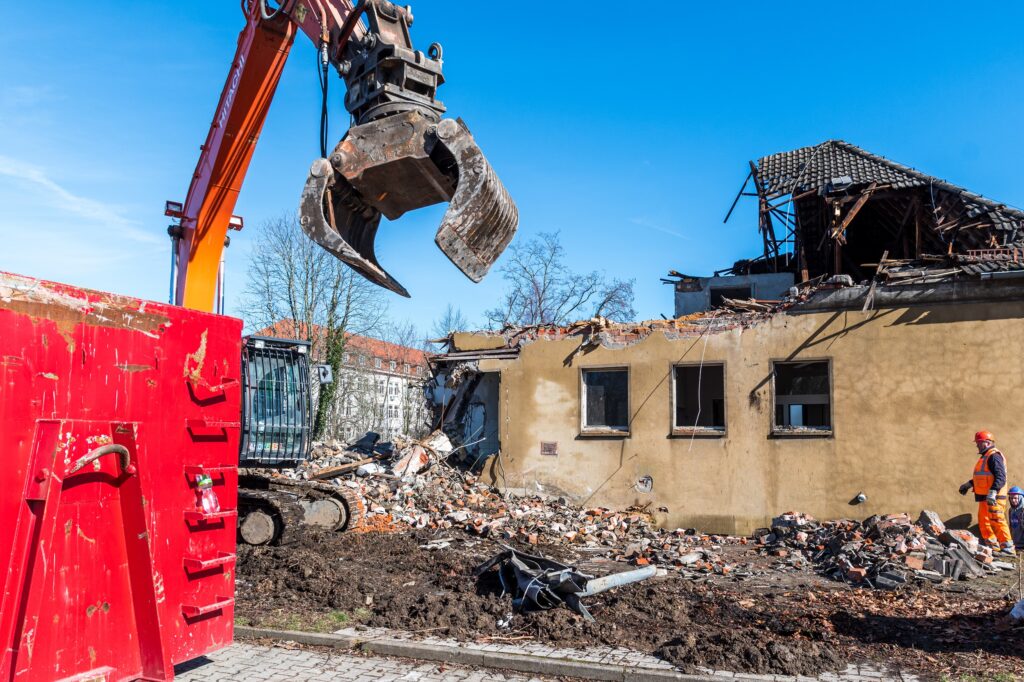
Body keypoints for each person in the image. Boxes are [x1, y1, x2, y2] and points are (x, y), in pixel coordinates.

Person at [959, 430, 1015, 557]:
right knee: (984, 522)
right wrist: (968, 485)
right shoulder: (985, 457)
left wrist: (993, 492)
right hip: (985, 497)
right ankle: (993, 547)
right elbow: (983, 477)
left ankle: (1008, 548)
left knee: (997, 520)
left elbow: (1001, 477)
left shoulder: (994, 456)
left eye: (979, 442)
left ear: (987, 442)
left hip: (993, 497)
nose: (977, 445)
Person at [1008, 485, 1024, 551]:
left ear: (1020, 498)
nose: (1013, 500)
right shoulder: (1010, 510)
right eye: (1011, 498)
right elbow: (1011, 527)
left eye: (1015, 498)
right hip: (1015, 545)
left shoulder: (1023, 510)